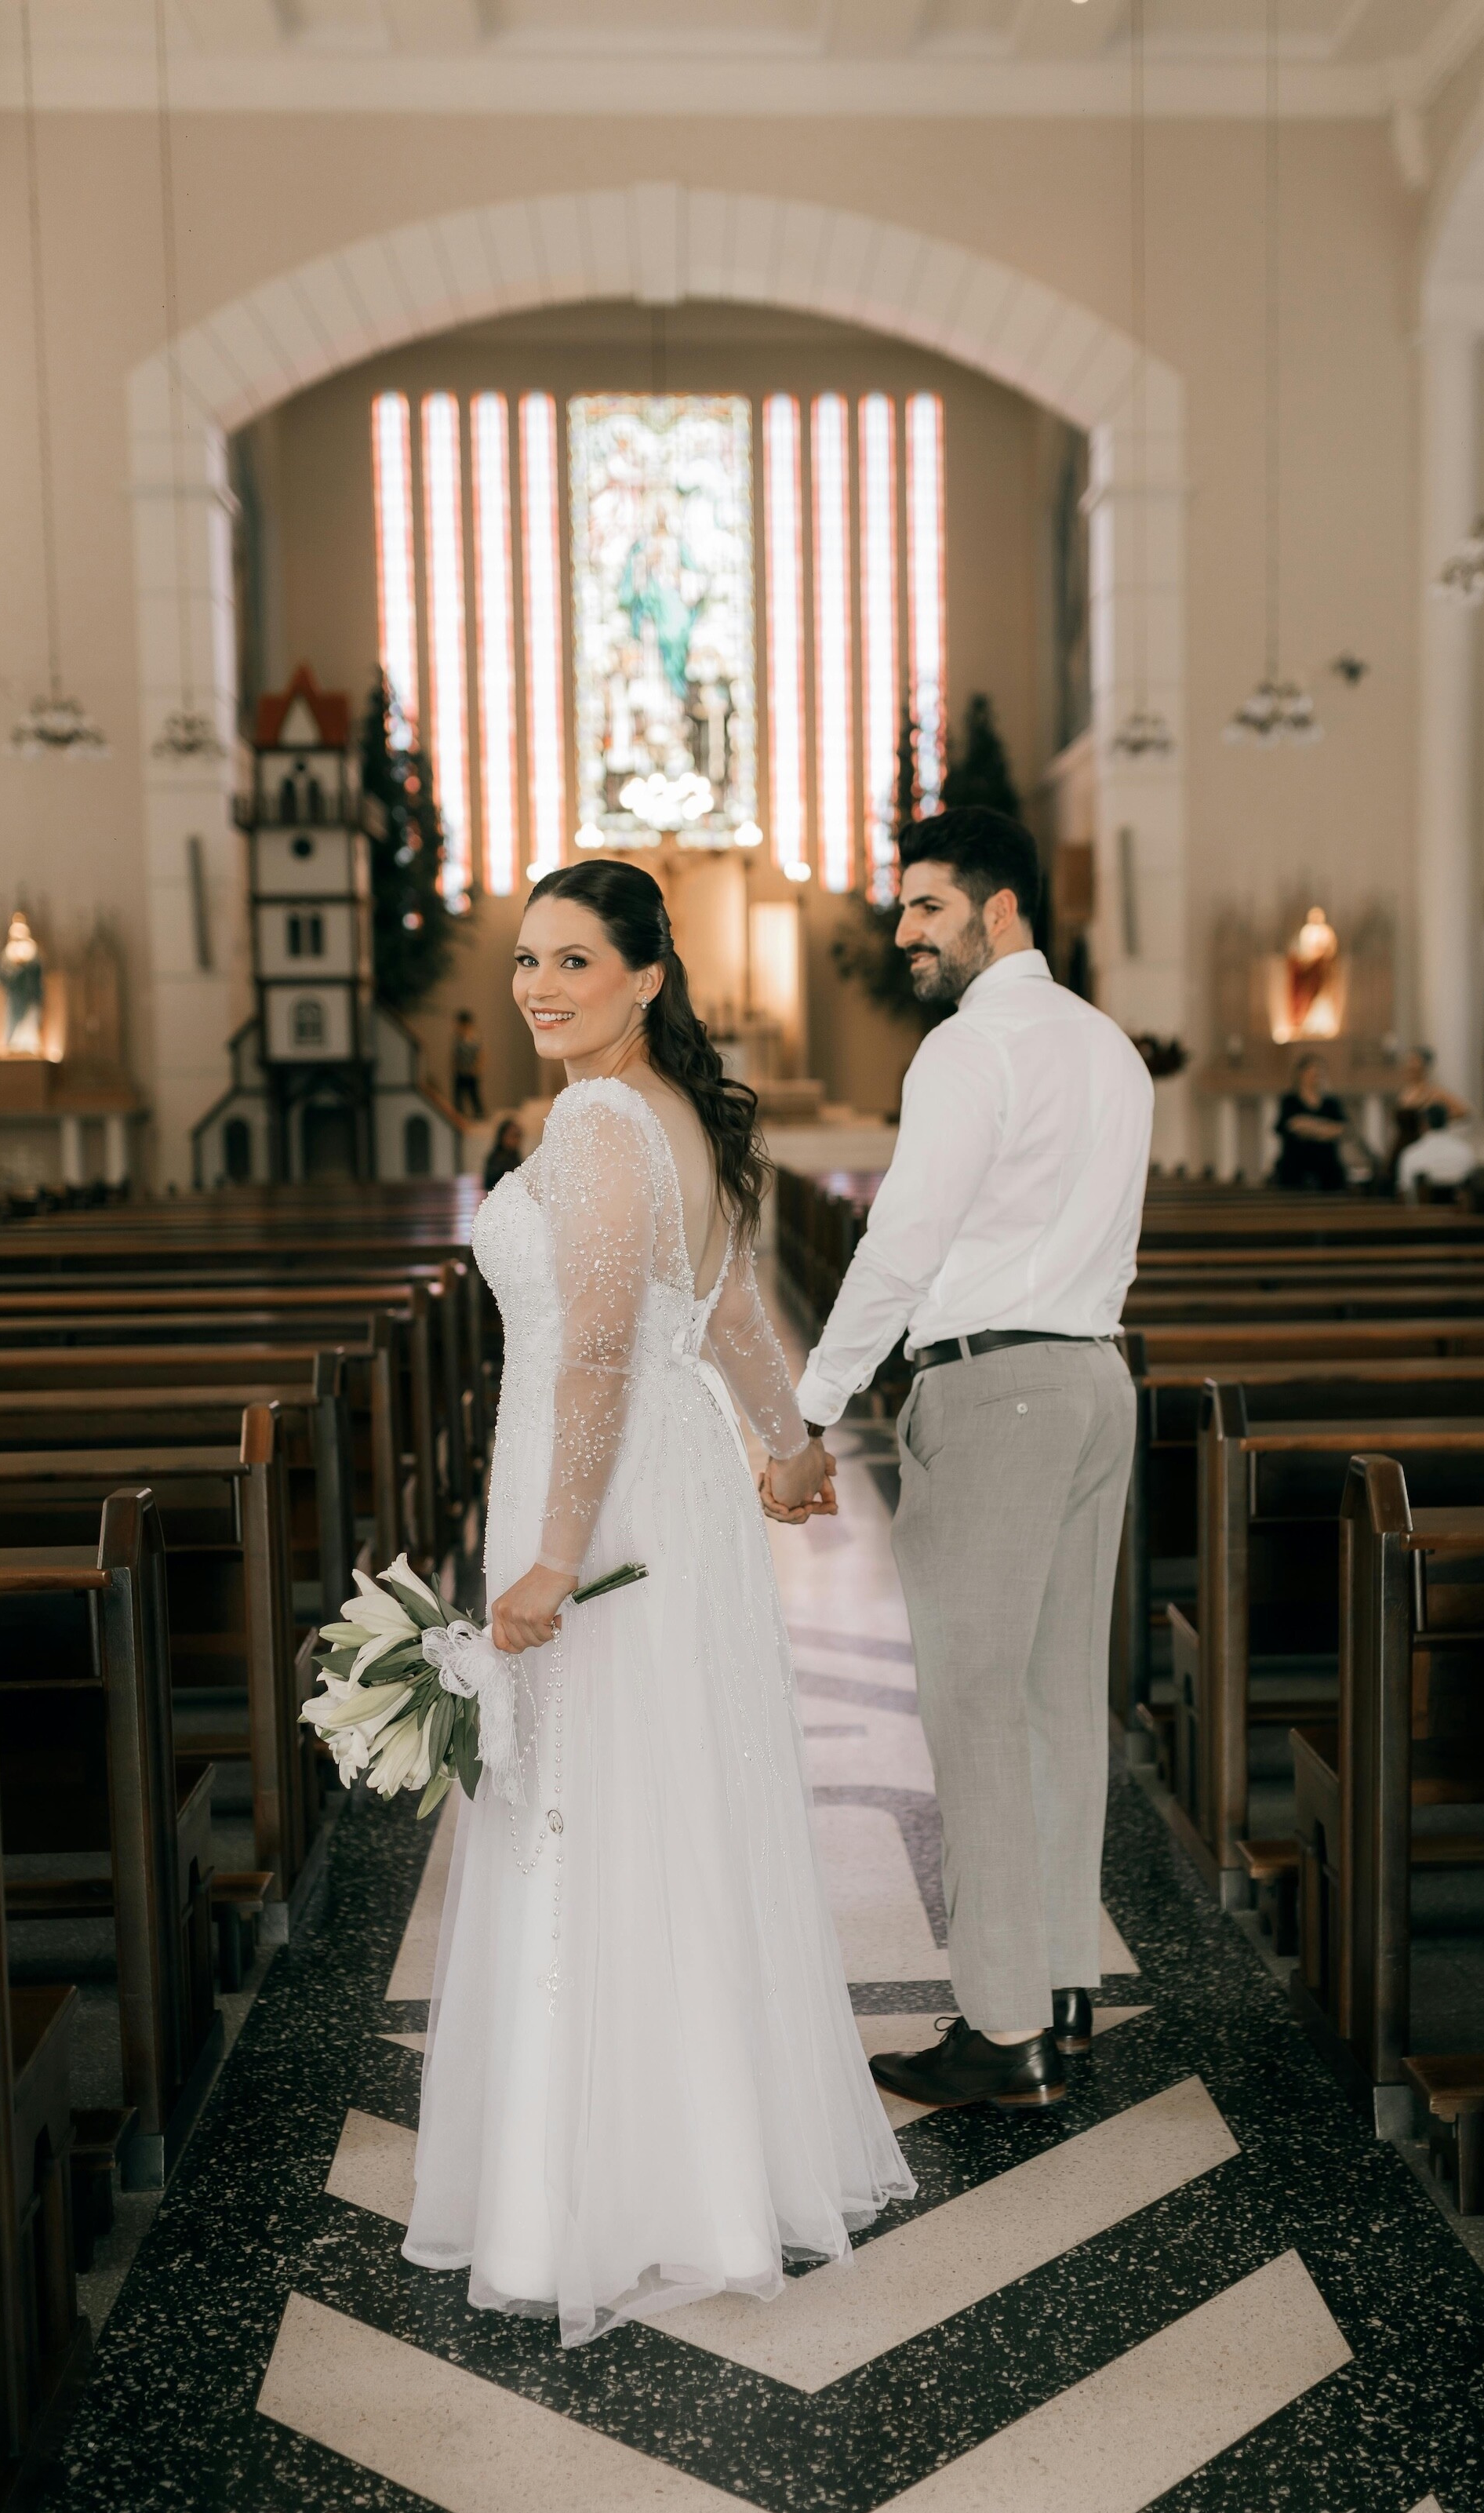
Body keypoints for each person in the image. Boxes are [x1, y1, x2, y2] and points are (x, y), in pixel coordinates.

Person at [403, 862, 911, 2344]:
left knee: (599, 1801)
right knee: (665, 1794)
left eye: (573, 961)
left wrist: (553, 1557)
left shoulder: (602, 1119)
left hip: (607, 1495)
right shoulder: (679, 1114)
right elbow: (734, 1312)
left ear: (644, 976)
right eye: (525, 962)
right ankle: (697, 2149)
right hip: (664, 1486)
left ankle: (619, 2182)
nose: (540, 986)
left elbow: (609, 1351)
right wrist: (784, 1445)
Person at [795, 806, 1153, 2115]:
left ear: (998, 912)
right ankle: (1057, 1987)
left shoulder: (969, 1048)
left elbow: (899, 1243)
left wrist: (809, 1404)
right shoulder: (1107, 1047)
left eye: (927, 909)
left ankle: (1002, 2034)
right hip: (1093, 1381)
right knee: (1059, 1703)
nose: (904, 934)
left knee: (976, 1710)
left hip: (995, 1389)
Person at [1272, 1054, 1350, 1191]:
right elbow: (1292, 1125)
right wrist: (1324, 1129)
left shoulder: (1331, 1103)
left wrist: (1308, 1126)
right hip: (1295, 1168)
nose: (1317, 1076)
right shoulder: (1290, 1101)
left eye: (1320, 1072)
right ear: (1301, 1074)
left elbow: (1340, 1129)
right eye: (1313, 1071)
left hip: (1328, 1169)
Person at [1389, 1044, 1470, 1167]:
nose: (1410, 1066)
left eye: (1414, 1062)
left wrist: (1435, 1120)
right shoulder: (1405, 1092)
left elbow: (1463, 1111)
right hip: (1402, 1146)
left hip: (1422, 1147)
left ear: (1424, 1066)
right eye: (1409, 1062)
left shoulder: (1433, 1092)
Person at [1395, 1100, 1476, 1198]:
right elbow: (1470, 1190)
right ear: (1447, 1121)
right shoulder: (1465, 1151)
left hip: (1422, 1213)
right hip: (1459, 1213)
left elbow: (1403, 1193)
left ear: (1424, 1123)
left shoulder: (1410, 1154)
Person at [452, 1009, 485, 1121]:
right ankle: (458, 1114)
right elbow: (455, 1056)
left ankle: (479, 1114)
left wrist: (477, 1068)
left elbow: (480, 1054)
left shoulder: (474, 1038)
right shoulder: (458, 1039)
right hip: (461, 1071)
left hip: (471, 1071)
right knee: (458, 1095)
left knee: (473, 1094)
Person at [481, 1115, 524, 1188]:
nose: (516, 1140)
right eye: (513, 1136)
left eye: (518, 1136)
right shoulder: (497, 1160)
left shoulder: (515, 1157)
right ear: (503, 1136)